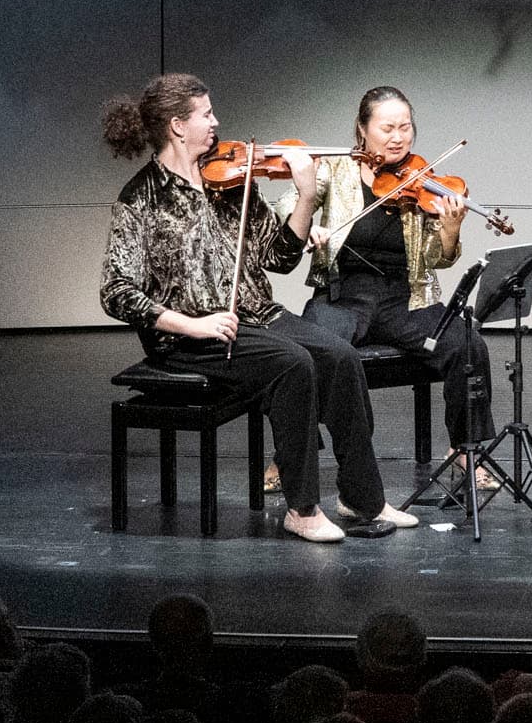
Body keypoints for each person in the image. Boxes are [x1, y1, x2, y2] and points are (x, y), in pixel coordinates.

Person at [98, 72, 406, 546]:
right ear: (178, 126)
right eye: (206, 114)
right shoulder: (140, 198)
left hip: (256, 314)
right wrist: (193, 325)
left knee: (341, 357)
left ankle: (363, 498)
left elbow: (279, 257)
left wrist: (306, 197)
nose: (216, 122)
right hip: (189, 337)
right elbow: (116, 291)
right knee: (294, 364)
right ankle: (302, 509)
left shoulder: (230, 182)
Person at [302, 86, 498, 496]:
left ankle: (465, 449)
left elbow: (439, 259)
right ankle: (296, 453)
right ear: (362, 129)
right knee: (307, 352)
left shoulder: (421, 180)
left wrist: (450, 229)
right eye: (387, 128)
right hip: (343, 295)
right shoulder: (334, 170)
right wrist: (306, 224)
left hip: (406, 297)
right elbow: (289, 204)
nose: (398, 138)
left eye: (405, 128)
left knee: (468, 345)